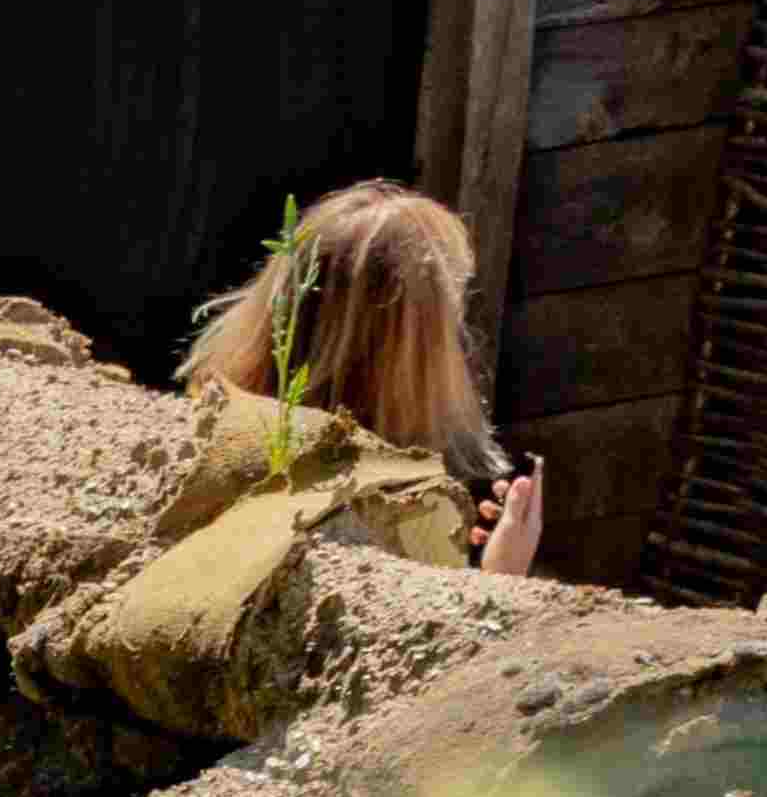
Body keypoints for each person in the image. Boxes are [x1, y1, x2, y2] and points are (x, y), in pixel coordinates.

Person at [175, 178, 550, 578]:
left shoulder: (206, 432)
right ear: (410, 353)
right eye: (446, 313)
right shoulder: (400, 509)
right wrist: (502, 576)